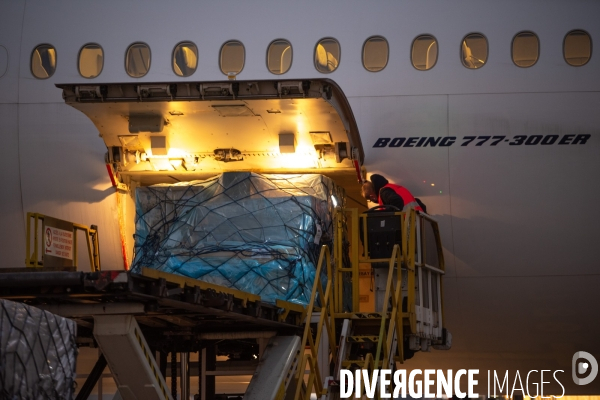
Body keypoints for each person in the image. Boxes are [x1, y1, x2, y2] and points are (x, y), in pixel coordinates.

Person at [361, 174, 426, 213]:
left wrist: (387, 214)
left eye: (370, 199)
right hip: (418, 222)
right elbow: (418, 202)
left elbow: (396, 201)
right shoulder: (392, 187)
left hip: (409, 225)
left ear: (372, 196)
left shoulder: (384, 192)